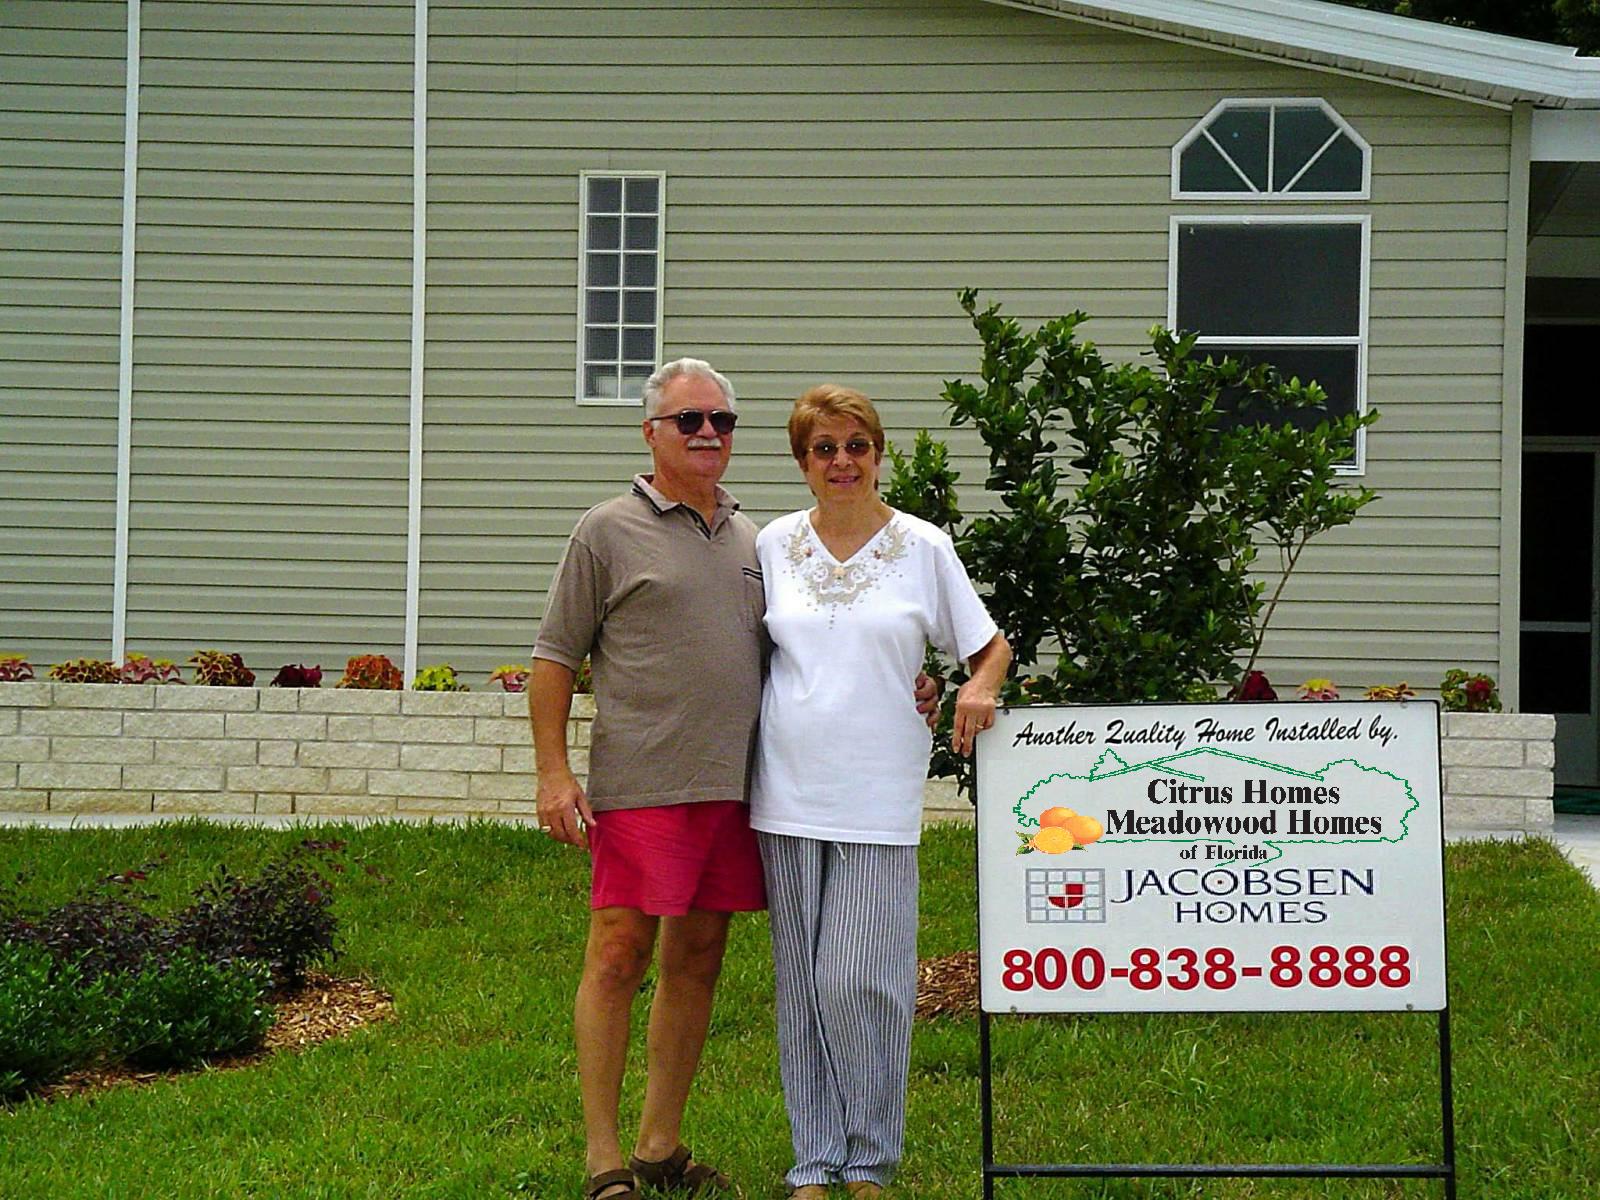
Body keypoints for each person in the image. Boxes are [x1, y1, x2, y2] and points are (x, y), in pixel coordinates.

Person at [530, 360, 939, 1200]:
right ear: (652, 432)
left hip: (740, 785)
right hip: (642, 781)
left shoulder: (764, 541)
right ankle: (604, 1161)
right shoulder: (604, 530)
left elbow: (821, 638)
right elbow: (554, 657)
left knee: (699, 957)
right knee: (617, 955)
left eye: (723, 420)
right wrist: (551, 772)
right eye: (689, 421)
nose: (708, 432)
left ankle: (659, 1145)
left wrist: (914, 678)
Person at [750, 385, 1011, 1199]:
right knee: (802, 988)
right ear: (802, 461)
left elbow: (990, 648)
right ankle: (814, 1164)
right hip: (785, 789)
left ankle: (870, 1158)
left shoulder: (922, 547)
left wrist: (972, 689)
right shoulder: (770, 546)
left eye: (856, 445)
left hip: (878, 791)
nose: (841, 462)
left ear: (878, 452)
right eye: (823, 448)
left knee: (859, 978)